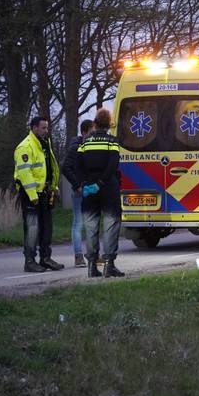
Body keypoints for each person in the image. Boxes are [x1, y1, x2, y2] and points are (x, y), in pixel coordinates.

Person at [76, 108, 124, 278]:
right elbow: (113, 164)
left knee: (91, 227)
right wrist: (102, 182)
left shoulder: (85, 142)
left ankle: (91, 266)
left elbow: (78, 165)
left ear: (95, 124)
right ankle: (109, 265)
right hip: (108, 187)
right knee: (111, 225)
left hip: (89, 188)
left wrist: (84, 183)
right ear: (109, 124)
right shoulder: (112, 141)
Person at [13, 116, 63, 272]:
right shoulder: (25, 147)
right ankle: (29, 261)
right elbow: (24, 173)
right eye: (43, 128)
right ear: (34, 128)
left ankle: (45, 258)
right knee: (32, 228)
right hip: (31, 194)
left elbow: (50, 168)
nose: (46, 130)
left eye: (47, 128)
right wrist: (33, 195)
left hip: (45, 192)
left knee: (46, 228)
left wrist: (54, 186)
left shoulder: (44, 144)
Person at [61, 119, 94, 268]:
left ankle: (93, 255)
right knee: (78, 223)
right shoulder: (75, 148)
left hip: (91, 190)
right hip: (80, 191)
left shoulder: (91, 146)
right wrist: (77, 184)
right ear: (84, 132)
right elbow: (65, 168)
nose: (94, 136)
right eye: (91, 133)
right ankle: (78, 256)